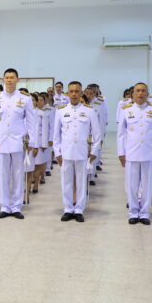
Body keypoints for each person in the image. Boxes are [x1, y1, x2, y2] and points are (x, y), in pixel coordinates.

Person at [0, 68, 39, 219]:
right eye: (7, 77)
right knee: (3, 176)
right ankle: (4, 206)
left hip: (18, 142)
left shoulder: (25, 98)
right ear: (3, 79)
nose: (9, 80)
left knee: (17, 175)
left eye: (12, 77)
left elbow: (31, 122)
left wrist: (32, 142)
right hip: (0, 142)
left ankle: (16, 206)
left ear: (17, 80)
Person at [53, 81, 102, 222]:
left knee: (81, 182)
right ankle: (68, 209)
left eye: (77, 91)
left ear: (81, 93)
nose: (74, 94)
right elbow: (56, 135)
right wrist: (57, 153)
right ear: (68, 93)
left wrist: (94, 152)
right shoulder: (61, 111)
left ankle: (79, 209)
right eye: (71, 91)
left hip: (82, 153)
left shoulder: (89, 111)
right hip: (66, 153)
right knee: (66, 182)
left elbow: (97, 134)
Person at [116, 83, 152, 225]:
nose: (140, 93)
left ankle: (144, 213)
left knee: (147, 185)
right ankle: (133, 212)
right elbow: (121, 134)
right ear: (133, 94)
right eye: (137, 91)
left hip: (150, 153)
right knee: (131, 185)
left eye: (143, 91)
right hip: (131, 153)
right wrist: (121, 153)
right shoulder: (126, 110)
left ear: (147, 93)